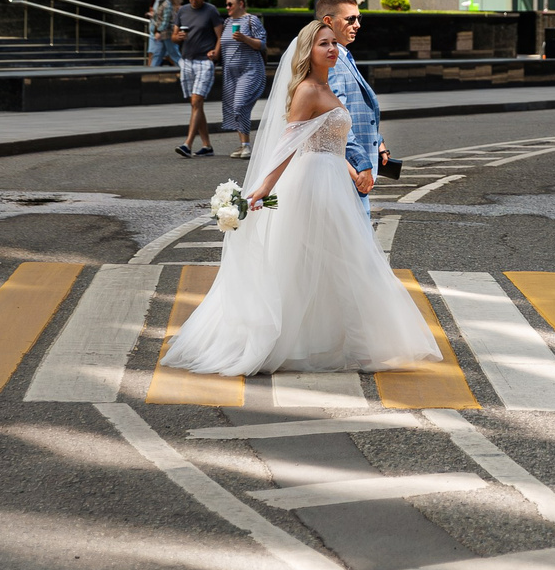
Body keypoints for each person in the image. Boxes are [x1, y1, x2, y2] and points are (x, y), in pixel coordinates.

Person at [156, 19, 442, 377]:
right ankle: (355, 347)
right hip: (314, 186)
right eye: (324, 44)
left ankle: (342, 343)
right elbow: (288, 145)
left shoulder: (325, 86)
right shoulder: (307, 90)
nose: (332, 49)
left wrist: (354, 174)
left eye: (333, 44)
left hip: (334, 179)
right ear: (308, 50)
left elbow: (325, 141)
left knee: (336, 262)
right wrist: (261, 189)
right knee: (342, 261)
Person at [320, 0, 385, 213]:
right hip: (346, 170)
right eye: (351, 19)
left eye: (359, 19)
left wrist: (378, 141)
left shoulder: (343, 54)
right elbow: (337, 119)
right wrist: (360, 163)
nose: (357, 25)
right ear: (328, 21)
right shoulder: (332, 61)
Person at [173, 0, 224, 157]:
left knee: (196, 102)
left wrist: (216, 53)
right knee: (196, 104)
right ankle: (207, 146)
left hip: (204, 61)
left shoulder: (211, 11)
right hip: (186, 61)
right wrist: (177, 36)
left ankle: (187, 144)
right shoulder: (182, 11)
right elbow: (173, 36)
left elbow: (220, 35)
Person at [219, 0, 270, 158]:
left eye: (230, 4)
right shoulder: (227, 22)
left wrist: (244, 38)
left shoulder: (251, 20)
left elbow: (262, 44)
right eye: (226, 4)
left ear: (241, 4)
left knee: (240, 104)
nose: (227, 7)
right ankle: (243, 145)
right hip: (231, 73)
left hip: (250, 70)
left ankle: (246, 145)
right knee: (233, 107)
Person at [148, 0, 180, 68]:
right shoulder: (160, 2)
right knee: (157, 54)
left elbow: (166, 20)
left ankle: (184, 71)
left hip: (167, 34)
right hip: (162, 34)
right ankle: (151, 73)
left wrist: (158, 31)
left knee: (174, 54)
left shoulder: (166, 3)